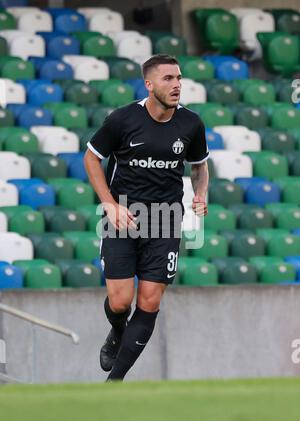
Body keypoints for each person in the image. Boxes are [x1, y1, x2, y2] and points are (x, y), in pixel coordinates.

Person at [84, 54, 209, 381]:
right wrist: (109, 204)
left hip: (166, 220)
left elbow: (200, 166)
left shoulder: (191, 124)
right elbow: (91, 159)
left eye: (179, 78)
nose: (177, 84)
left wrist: (201, 193)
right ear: (149, 84)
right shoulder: (123, 119)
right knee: (121, 300)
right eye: (168, 78)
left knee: (150, 301)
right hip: (122, 216)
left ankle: (115, 382)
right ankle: (116, 329)